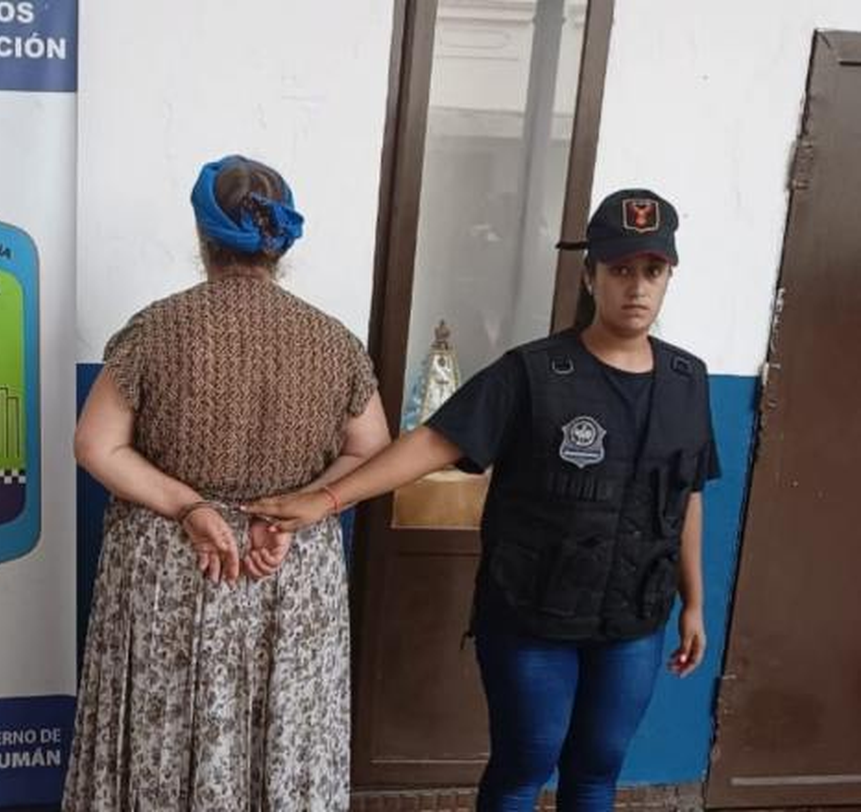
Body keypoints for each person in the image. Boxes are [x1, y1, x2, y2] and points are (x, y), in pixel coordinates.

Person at [247, 189, 719, 812]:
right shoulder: (534, 374)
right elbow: (431, 444)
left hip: (633, 619)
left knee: (598, 768)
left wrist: (694, 602)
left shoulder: (688, 382)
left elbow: (686, 496)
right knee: (526, 763)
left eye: (652, 271)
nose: (637, 287)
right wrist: (327, 499)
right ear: (590, 276)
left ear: (668, 277)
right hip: (532, 616)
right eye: (621, 269)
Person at [61, 155, 391, 811]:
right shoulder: (334, 343)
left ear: (202, 232)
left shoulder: (155, 331)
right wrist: (300, 509)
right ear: (280, 243)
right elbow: (371, 450)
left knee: (161, 740)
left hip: (174, 573)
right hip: (287, 573)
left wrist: (188, 506)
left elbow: (96, 445)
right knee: (282, 736)